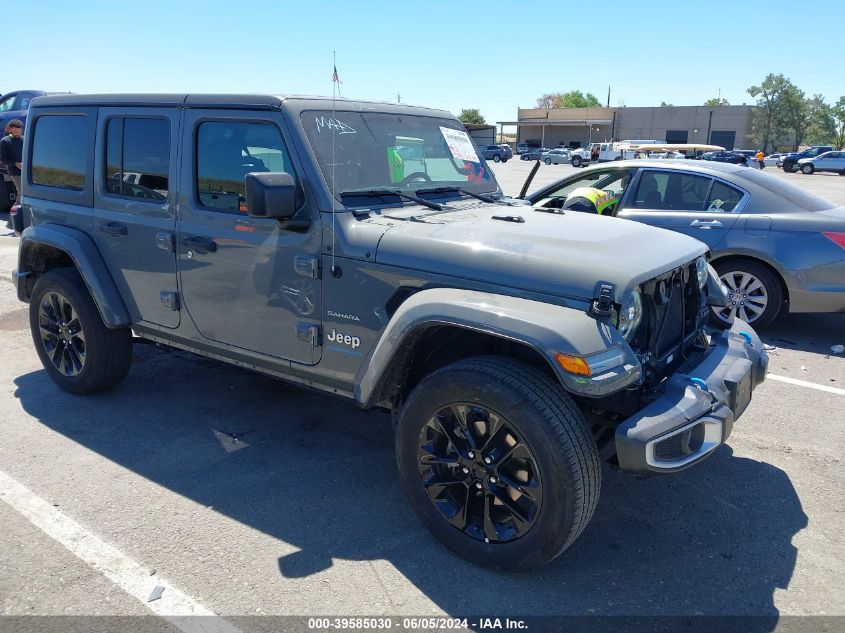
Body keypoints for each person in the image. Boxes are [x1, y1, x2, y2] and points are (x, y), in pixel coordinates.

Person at [0, 119, 24, 206]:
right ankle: (13, 215)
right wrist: (15, 163)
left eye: (19, 132)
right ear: (11, 130)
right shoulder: (5, 141)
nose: (18, 134)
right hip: (14, 172)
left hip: (26, 170)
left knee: (26, 193)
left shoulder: (24, 139)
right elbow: (3, 159)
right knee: (22, 193)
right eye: (16, 132)